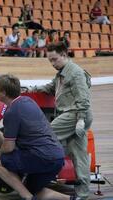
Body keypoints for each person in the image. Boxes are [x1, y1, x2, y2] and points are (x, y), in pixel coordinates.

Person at [27, 42, 93, 200]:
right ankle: (83, 195)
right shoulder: (62, 73)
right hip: (73, 115)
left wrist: (81, 120)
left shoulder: (75, 73)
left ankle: (35, 181)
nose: (52, 64)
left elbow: (83, 99)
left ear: (64, 55)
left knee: (45, 138)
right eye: (50, 60)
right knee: (79, 155)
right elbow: (51, 88)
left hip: (75, 114)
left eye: (55, 59)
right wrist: (32, 89)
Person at [0, 74, 70, 200]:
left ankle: (27, 198)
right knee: (33, 190)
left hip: (42, 157)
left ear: (4, 93)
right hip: (57, 157)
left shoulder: (11, 112)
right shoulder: (29, 101)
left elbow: (9, 148)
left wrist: (0, 151)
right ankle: (70, 199)